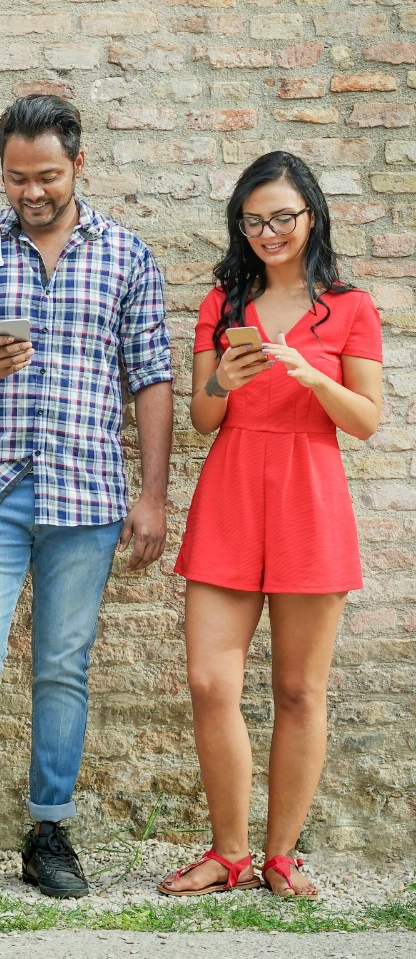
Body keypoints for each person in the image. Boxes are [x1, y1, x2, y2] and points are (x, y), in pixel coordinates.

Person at [0, 94, 173, 902]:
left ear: (79, 165)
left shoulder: (127, 257)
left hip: (88, 494)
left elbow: (152, 379)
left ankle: (48, 833)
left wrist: (153, 494)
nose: (32, 192)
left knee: (63, 669)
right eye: (17, 177)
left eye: (47, 176)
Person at [157, 152, 381, 900]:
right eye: (253, 220)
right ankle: (227, 853)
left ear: (310, 214)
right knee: (208, 680)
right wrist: (225, 377)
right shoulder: (223, 303)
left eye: (282, 217)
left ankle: (281, 856)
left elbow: (368, 422)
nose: (268, 232)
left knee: (297, 688)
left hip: (309, 494)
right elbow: (200, 419)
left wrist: (316, 376)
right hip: (232, 486)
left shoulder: (350, 307)